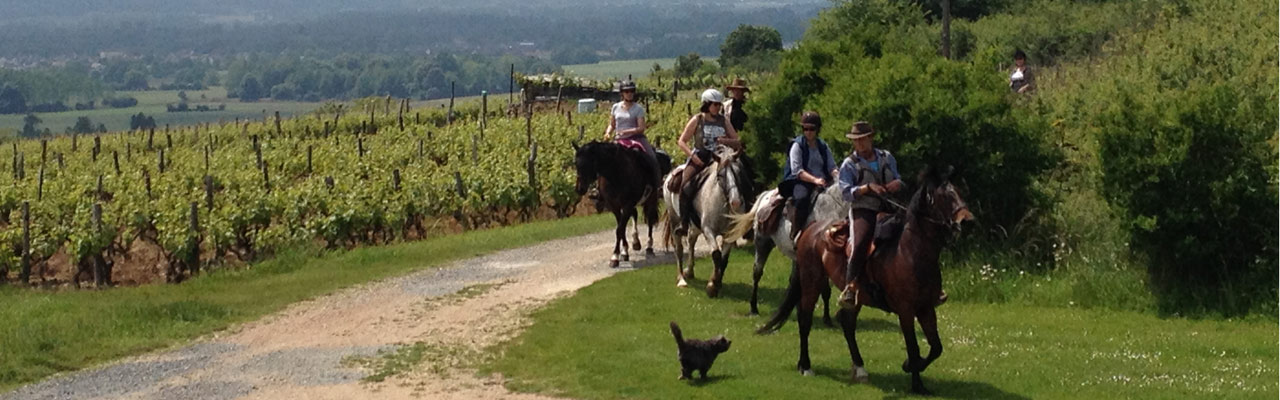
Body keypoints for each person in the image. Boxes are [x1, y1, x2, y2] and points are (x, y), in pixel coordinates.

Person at [836, 121, 904, 309]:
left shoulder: (887, 157)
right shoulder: (849, 164)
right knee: (861, 241)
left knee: (914, 234)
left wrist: (897, 184)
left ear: (870, 138)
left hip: (889, 207)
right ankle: (850, 287)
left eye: (862, 140)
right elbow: (845, 192)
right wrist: (866, 188)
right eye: (856, 141)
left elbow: (898, 178)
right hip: (863, 209)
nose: (859, 144)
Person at [672, 89, 742, 235]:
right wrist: (692, 156)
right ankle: (684, 223)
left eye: (718, 105)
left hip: (720, 157)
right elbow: (682, 141)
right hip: (700, 156)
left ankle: (743, 217)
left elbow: (737, 142)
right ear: (706, 105)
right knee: (685, 184)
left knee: (740, 178)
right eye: (714, 105)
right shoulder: (697, 120)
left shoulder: (724, 120)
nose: (717, 108)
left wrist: (724, 141)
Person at [777, 111, 837, 240]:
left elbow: (831, 166)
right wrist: (815, 180)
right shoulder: (797, 145)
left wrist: (837, 176)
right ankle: (796, 231)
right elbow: (797, 171)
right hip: (802, 181)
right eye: (805, 128)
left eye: (812, 129)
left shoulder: (823, 146)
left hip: (823, 181)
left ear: (817, 129)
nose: (808, 132)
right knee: (802, 198)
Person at [603, 80, 660, 189]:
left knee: (652, 158)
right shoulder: (615, 107)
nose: (629, 93)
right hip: (619, 140)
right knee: (604, 161)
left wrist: (626, 132)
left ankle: (656, 185)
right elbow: (612, 124)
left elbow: (641, 128)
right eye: (626, 91)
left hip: (636, 139)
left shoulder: (638, 109)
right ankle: (599, 190)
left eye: (631, 91)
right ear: (622, 93)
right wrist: (608, 133)